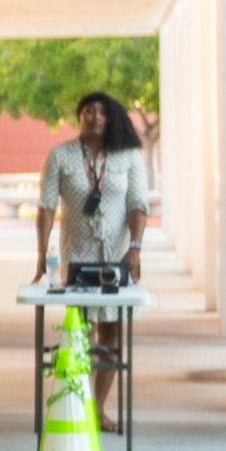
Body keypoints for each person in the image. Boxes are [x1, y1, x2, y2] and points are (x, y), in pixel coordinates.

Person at [35, 91, 152, 432]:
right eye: (88, 110)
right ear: (80, 115)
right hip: (77, 257)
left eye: (102, 111)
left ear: (111, 117)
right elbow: (45, 206)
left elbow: (138, 204)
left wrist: (136, 247)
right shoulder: (61, 155)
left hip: (116, 257)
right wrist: (43, 254)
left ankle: (97, 409)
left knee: (111, 334)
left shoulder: (128, 155)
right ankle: (77, 405)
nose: (95, 116)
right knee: (79, 331)